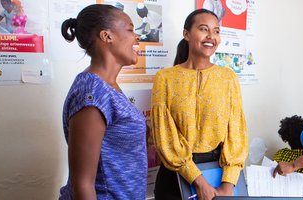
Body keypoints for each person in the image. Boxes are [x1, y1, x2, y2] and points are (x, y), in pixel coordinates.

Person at [151, 9, 248, 200]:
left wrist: (228, 185)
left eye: (216, 31)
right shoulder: (165, 78)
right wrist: (198, 181)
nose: (211, 36)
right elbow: (164, 135)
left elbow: (236, 131)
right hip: (175, 176)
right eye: (204, 29)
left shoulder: (228, 77)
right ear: (186, 34)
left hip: (218, 174)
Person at [58, 4, 146, 200]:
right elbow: (83, 184)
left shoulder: (108, 87)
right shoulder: (93, 93)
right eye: (130, 29)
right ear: (107, 36)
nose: (137, 36)